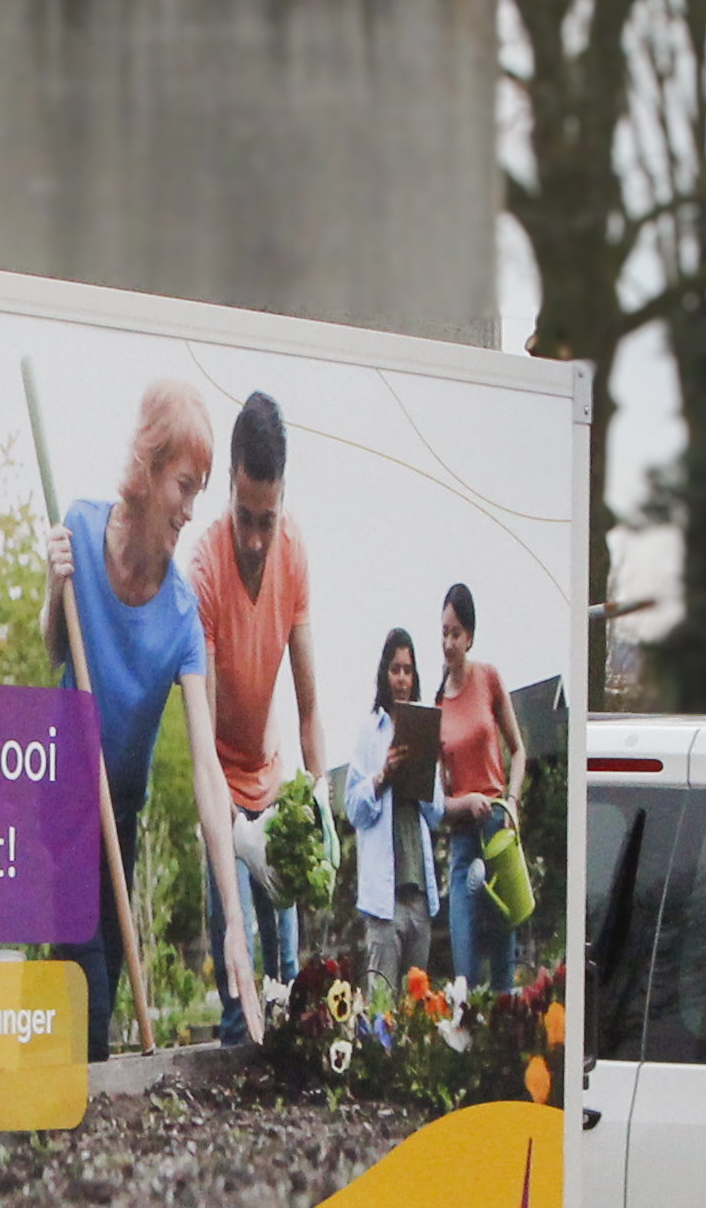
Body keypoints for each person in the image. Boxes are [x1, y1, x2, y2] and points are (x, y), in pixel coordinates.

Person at [51, 381, 261, 1055]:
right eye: (184, 486)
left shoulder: (181, 613)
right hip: (65, 796)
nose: (191, 510)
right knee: (87, 984)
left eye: (200, 491)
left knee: (103, 975)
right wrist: (55, 588)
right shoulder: (80, 529)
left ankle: (57, 1089)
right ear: (146, 467)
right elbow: (55, 647)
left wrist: (235, 921)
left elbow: (206, 769)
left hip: (123, 811)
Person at [180, 390, 320, 1036]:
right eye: (245, 517)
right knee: (238, 973)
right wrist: (234, 831)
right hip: (224, 789)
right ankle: (238, 1041)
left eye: (269, 518)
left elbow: (309, 705)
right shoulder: (204, 569)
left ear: (283, 496)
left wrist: (316, 800)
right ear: (228, 490)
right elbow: (203, 732)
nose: (258, 537)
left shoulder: (293, 551)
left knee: (286, 972)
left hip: (271, 778)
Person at [434, 580, 528, 999]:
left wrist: (512, 802)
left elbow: (518, 750)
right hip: (462, 837)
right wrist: (464, 803)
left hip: (496, 829)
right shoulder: (437, 705)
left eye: (455, 633)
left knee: (504, 951)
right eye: (443, 633)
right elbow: (437, 800)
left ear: (469, 637)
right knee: (465, 965)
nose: (448, 643)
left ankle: (508, 1022)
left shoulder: (488, 678)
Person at [341, 625, 441, 997]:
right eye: (395, 669)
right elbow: (353, 809)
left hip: (419, 895)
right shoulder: (370, 733)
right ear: (385, 674)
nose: (401, 678)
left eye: (407, 670)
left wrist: (423, 771)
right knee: (381, 1006)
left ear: (415, 677)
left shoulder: (423, 727)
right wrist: (382, 777)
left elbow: (437, 813)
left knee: (418, 1009)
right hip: (384, 900)